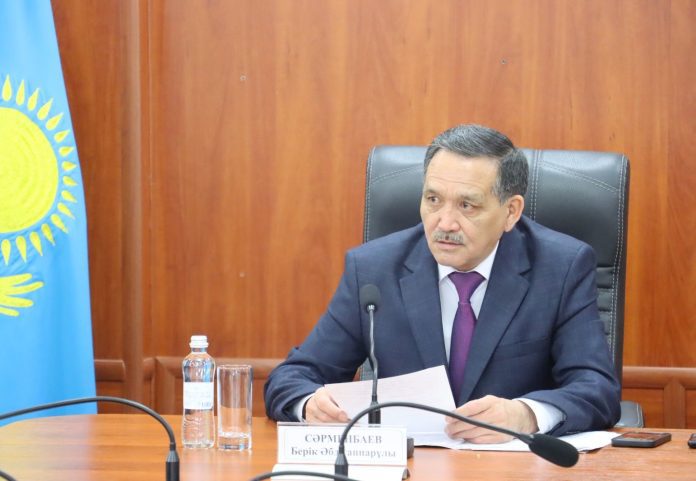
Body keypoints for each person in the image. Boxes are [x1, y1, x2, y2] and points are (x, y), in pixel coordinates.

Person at [264, 124, 621, 443]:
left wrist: (525, 415)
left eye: (467, 206)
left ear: (511, 212)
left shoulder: (560, 267)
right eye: (433, 200)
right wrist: (309, 404)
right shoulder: (373, 269)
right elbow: (293, 378)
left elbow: (597, 390)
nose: (445, 223)